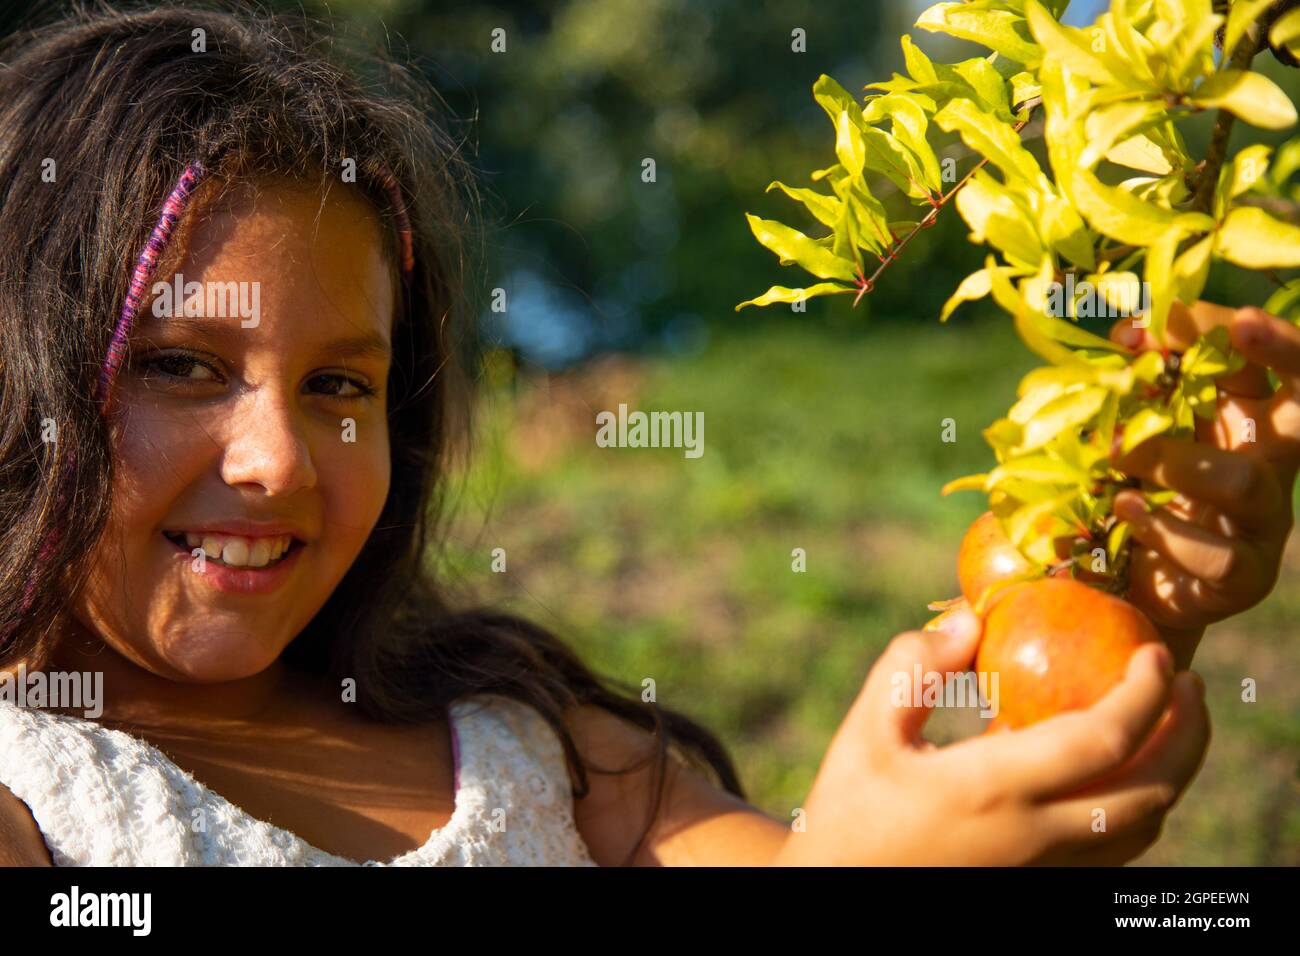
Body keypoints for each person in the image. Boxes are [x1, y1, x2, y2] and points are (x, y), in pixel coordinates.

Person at [0, 2, 1295, 867]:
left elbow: (934, 828)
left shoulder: (533, 744)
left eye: (342, 386)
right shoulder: (31, 798)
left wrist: (1107, 601)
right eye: (181, 366)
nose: (278, 459)